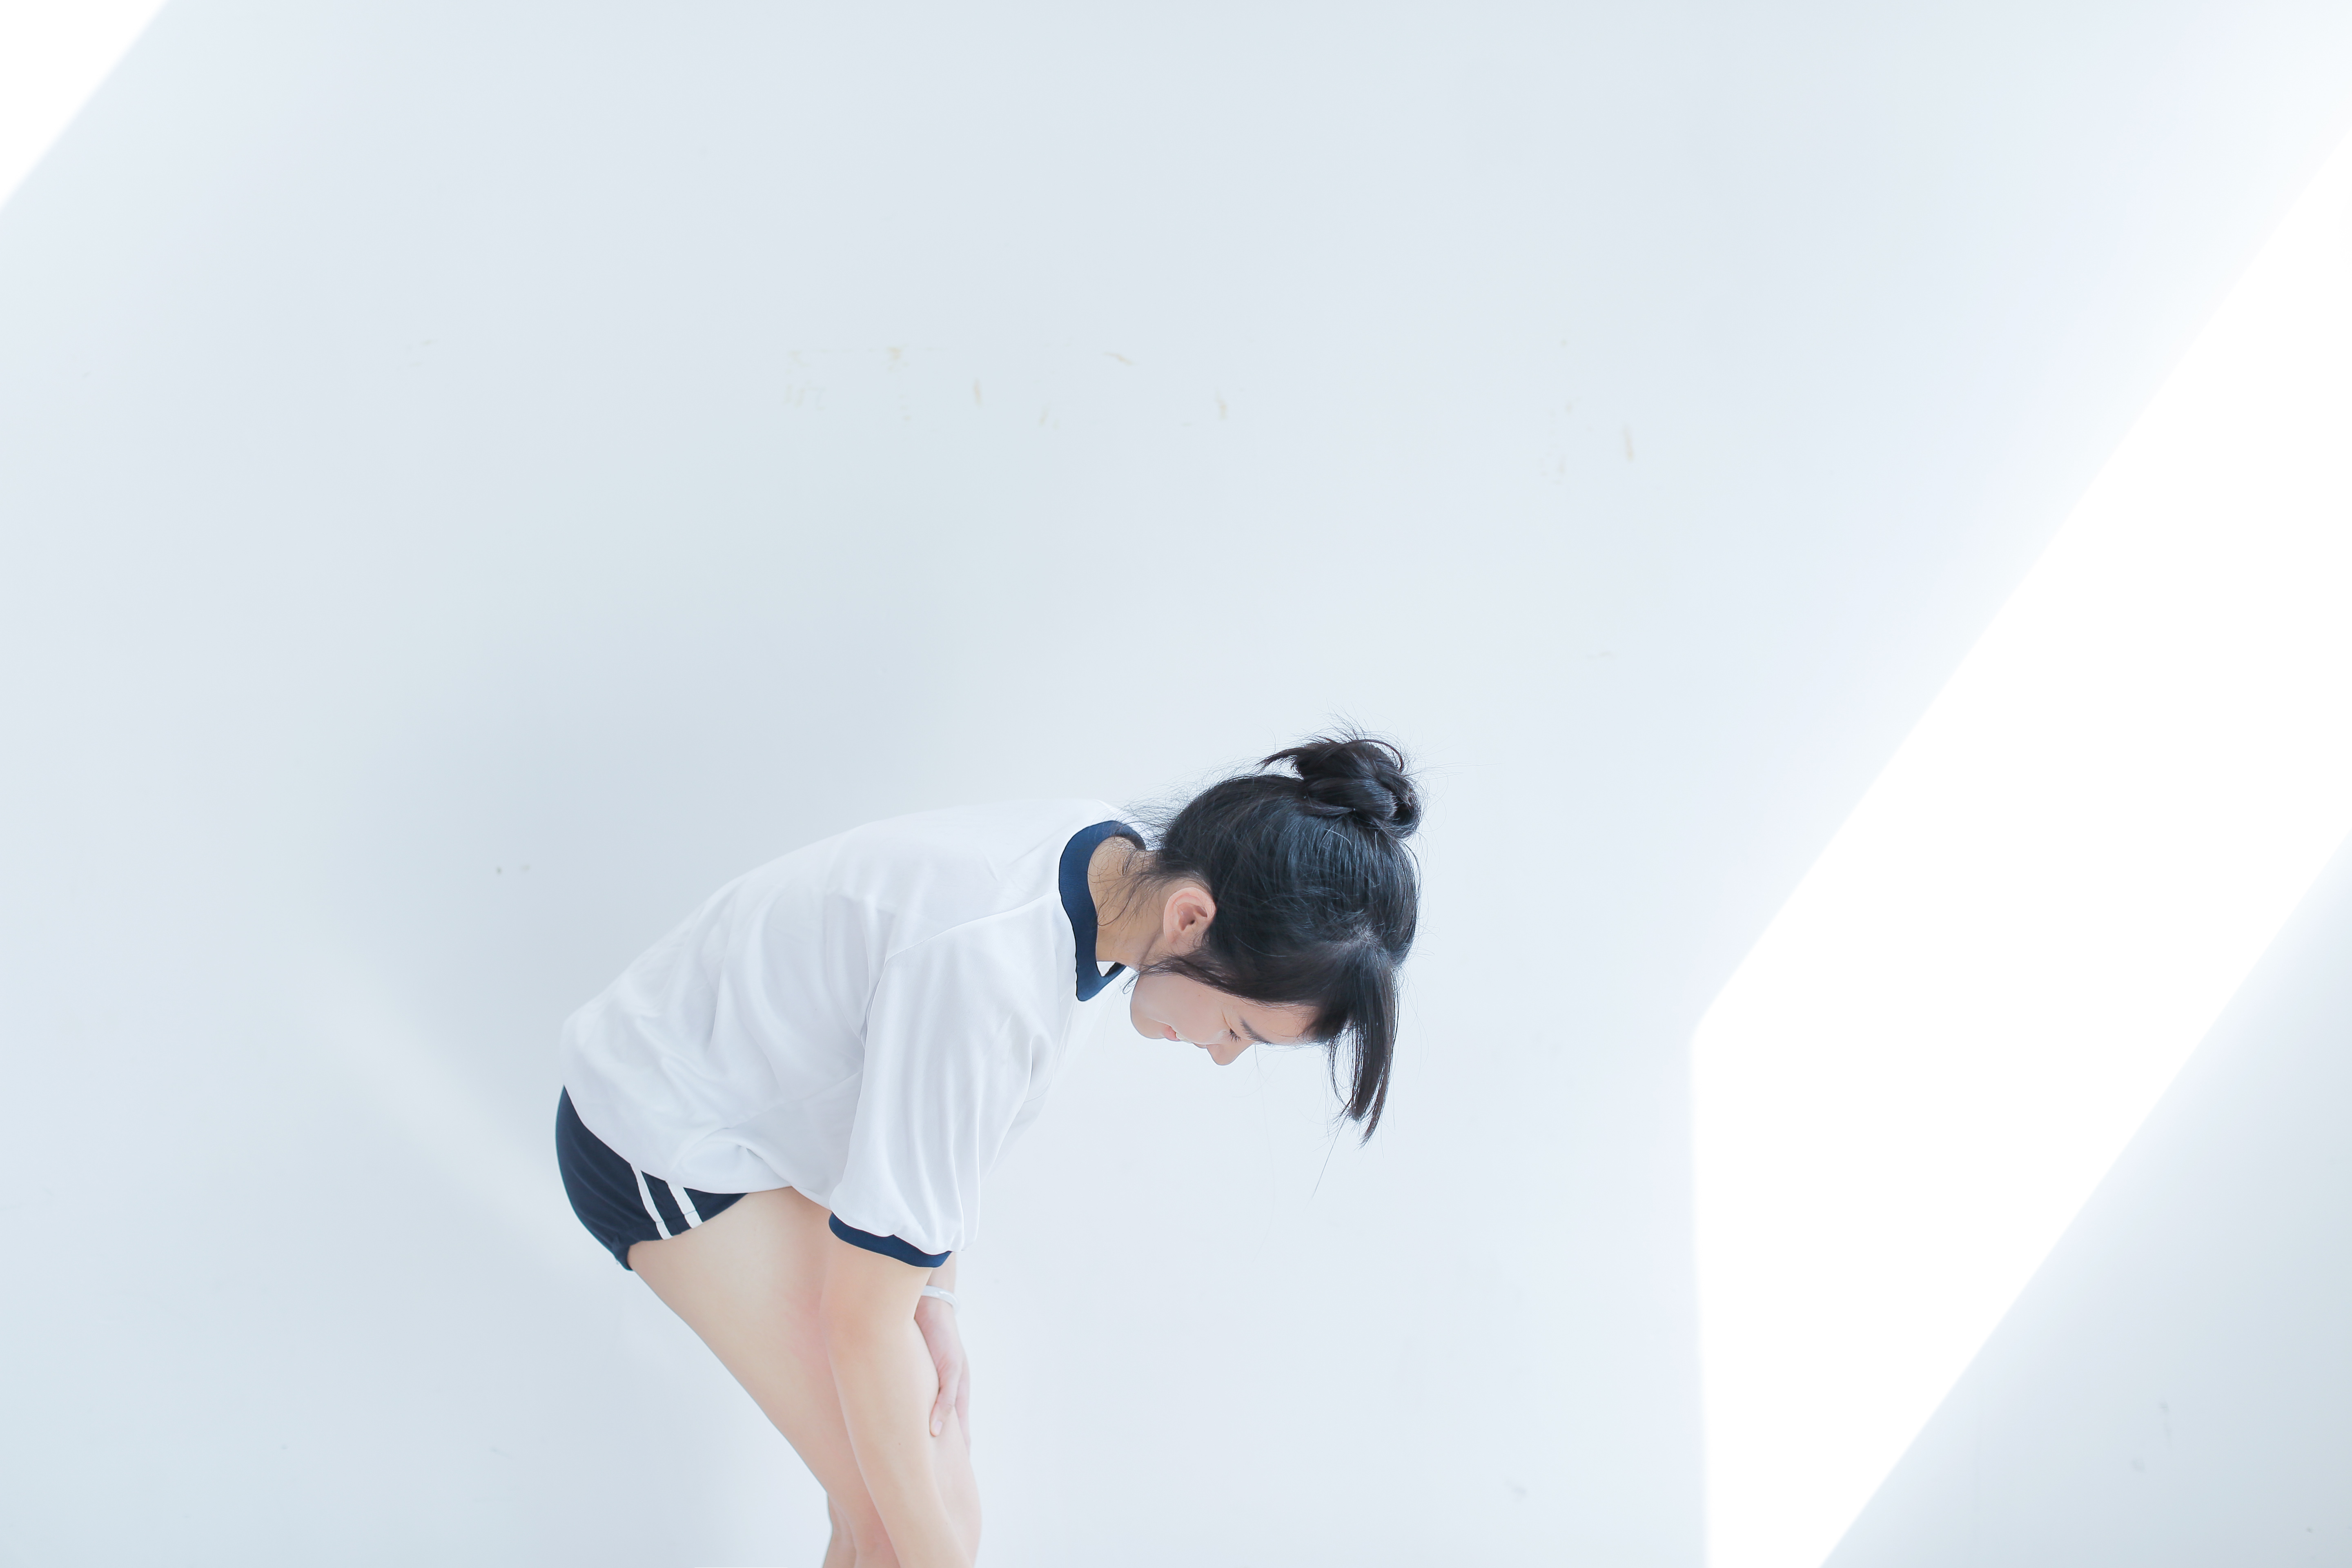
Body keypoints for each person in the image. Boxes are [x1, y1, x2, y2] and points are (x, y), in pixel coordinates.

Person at [554, 733, 1422, 1567]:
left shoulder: (1108, 862)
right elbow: (861, 1319)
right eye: (1239, 1027)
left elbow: (932, 1112)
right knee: (902, 1528)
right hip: (665, 1129)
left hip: (768, 1113)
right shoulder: (992, 966)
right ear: (1191, 917)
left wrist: (935, 1292)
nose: (1224, 1056)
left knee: (915, 1516)